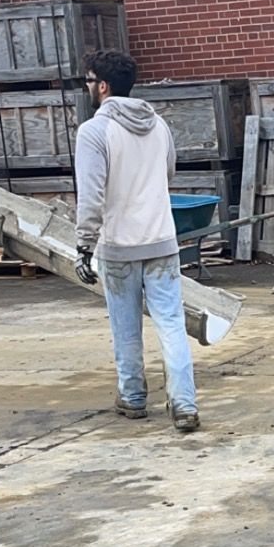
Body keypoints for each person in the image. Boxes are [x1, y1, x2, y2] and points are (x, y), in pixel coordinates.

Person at [74, 49, 200, 433]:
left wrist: (84, 244)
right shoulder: (158, 125)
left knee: (125, 326)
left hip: (119, 247)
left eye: (89, 79)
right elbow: (168, 171)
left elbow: (91, 195)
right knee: (171, 324)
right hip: (162, 241)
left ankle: (132, 397)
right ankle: (184, 405)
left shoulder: (94, 132)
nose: (87, 86)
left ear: (103, 86)